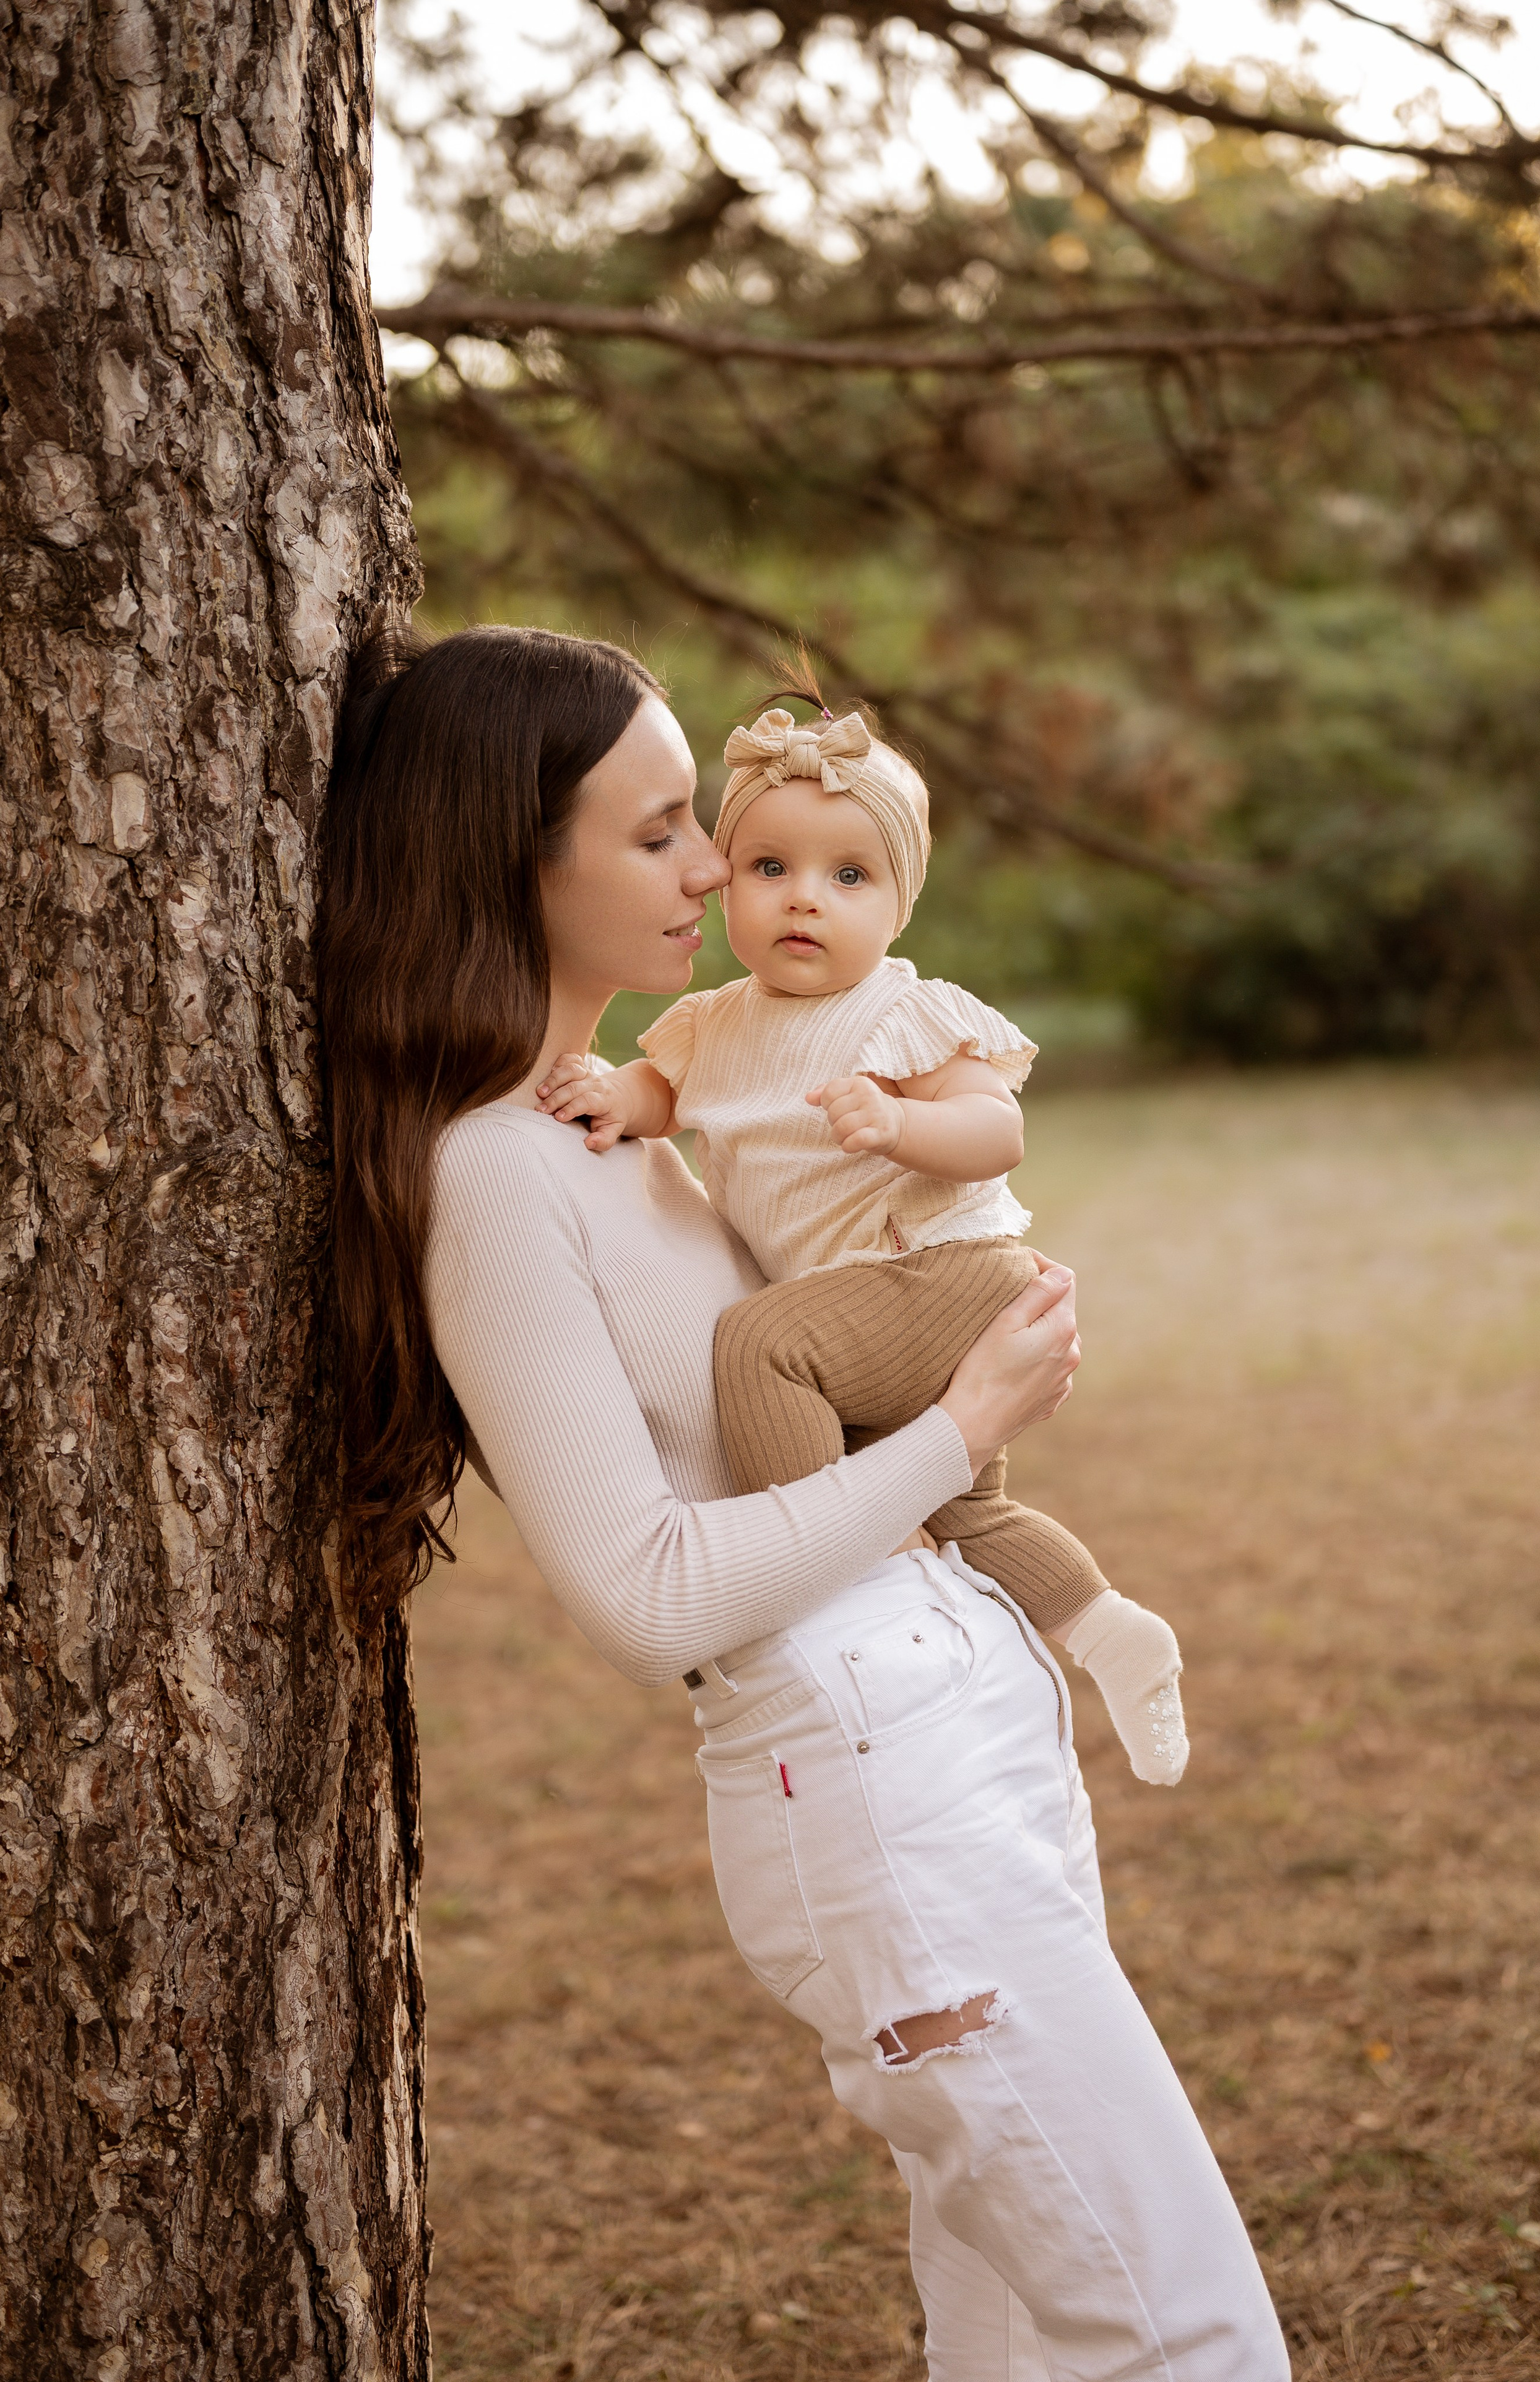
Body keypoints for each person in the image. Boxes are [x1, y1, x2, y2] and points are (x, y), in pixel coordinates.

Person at [318, 622, 1291, 2382]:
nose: (715, 867)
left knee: (1023, 2324)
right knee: (1176, 2328)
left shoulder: (644, 1130)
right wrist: (963, 1427)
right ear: (507, 860)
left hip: (954, 1723)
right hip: (864, 1776)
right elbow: (652, 1595)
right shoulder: (492, 1174)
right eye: (663, 830)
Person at [535, 682, 1188, 1787]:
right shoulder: (714, 1023)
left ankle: (854, 1581)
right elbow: (662, 1092)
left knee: (759, 1345)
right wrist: (613, 1097)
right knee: (967, 1506)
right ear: (726, 883)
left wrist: (902, 1123)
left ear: (898, 906)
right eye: (770, 869)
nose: (805, 901)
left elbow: (999, 1130)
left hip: (939, 1273)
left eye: (849, 877)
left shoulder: (902, 1011)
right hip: (870, 1319)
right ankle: (1109, 1631)